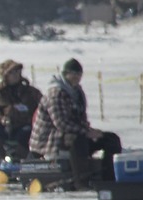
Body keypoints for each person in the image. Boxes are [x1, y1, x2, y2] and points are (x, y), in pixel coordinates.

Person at [29, 58, 123, 189]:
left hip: (72, 133)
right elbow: (61, 124)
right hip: (50, 140)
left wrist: (93, 132)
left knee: (110, 139)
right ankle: (81, 181)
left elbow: (81, 119)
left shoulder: (77, 92)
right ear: (65, 74)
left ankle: (108, 177)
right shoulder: (56, 94)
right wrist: (86, 132)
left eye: (79, 74)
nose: (76, 77)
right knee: (77, 139)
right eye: (73, 74)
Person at [0, 60, 42, 161]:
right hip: (5, 126)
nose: (15, 75)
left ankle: (23, 158)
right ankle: (2, 158)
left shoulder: (31, 92)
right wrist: (1, 118)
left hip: (25, 125)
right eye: (11, 72)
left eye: (17, 72)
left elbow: (42, 107)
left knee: (26, 133)